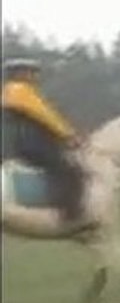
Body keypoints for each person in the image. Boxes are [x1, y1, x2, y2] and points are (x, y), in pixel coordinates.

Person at [1, 58, 87, 225]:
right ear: (19, 73)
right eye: (31, 72)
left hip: (21, 142)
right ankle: (70, 213)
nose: (34, 76)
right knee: (67, 169)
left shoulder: (9, 91)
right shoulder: (20, 91)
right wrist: (69, 135)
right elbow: (46, 116)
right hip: (32, 143)